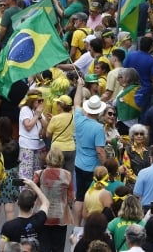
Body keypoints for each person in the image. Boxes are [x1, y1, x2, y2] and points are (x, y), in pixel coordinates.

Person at [73, 82, 107, 226]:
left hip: (78, 164)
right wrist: (105, 165)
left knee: (80, 197)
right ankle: (88, 228)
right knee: (91, 199)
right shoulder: (99, 128)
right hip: (92, 168)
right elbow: (100, 150)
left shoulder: (79, 118)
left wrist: (79, 86)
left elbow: (76, 102)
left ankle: (76, 227)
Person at [36, 147, 74, 252]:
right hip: (60, 217)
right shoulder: (67, 175)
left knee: (44, 247)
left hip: (43, 216)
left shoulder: (39, 174)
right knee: (58, 247)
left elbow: (33, 192)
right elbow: (71, 198)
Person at [0, 178, 50, 251]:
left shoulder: (8, 226)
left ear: (18, 203)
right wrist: (33, 185)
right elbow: (46, 202)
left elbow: (1, 248)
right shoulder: (39, 219)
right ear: (33, 204)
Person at [18, 90, 48, 181]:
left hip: (38, 146)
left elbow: (46, 126)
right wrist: (36, 115)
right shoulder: (25, 110)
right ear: (32, 100)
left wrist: (39, 116)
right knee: (25, 172)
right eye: (39, 101)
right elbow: (28, 126)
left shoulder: (38, 111)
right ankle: (23, 193)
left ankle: (33, 193)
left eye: (42, 100)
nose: (41, 103)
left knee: (36, 172)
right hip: (27, 145)